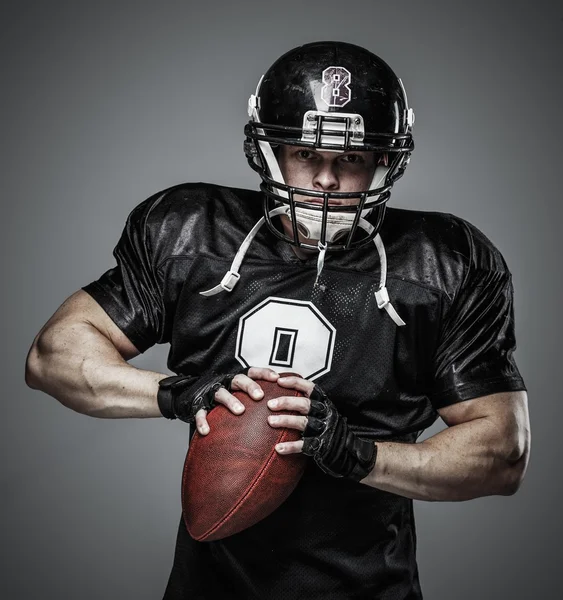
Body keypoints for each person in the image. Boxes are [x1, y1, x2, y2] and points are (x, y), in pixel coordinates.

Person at [25, 41, 531, 599]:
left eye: (352, 160)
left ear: (387, 161)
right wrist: (181, 393)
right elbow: (54, 355)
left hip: (367, 587)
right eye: (305, 155)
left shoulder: (443, 263)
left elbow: (502, 451)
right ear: (267, 152)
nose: (327, 181)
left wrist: (355, 453)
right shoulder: (194, 235)